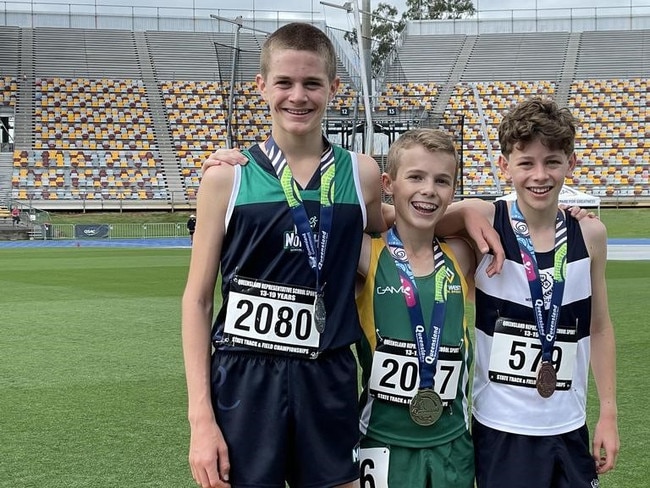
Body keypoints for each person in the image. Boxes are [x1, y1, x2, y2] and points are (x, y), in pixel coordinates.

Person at [181, 22, 387, 488]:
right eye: (285, 82)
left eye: (313, 83)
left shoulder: (362, 175)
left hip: (328, 372)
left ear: (334, 88)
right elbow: (196, 301)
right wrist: (200, 419)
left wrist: (474, 211)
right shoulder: (225, 180)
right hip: (244, 378)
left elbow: (401, 222)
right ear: (261, 87)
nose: (299, 96)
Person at [442, 97, 619, 488]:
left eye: (552, 161)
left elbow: (601, 328)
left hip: (568, 424)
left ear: (570, 164)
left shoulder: (590, 235)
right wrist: (468, 209)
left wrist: (608, 412)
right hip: (501, 427)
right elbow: (423, 221)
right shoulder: (488, 224)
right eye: (526, 163)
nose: (540, 175)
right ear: (505, 166)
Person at [355, 128, 494, 488]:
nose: (429, 190)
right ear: (389, 183)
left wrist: (573, 217)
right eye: (415, 177)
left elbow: (506, 216)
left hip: (452, 443)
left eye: (442, 181)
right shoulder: (366, 255)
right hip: (382, 442)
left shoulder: (463, 254)